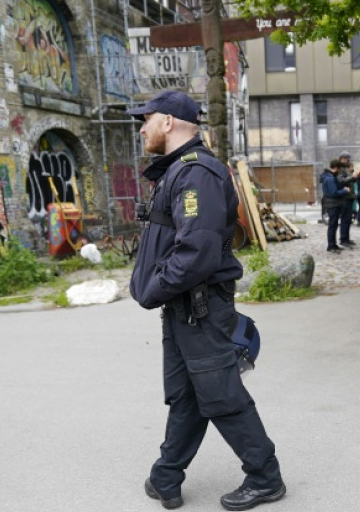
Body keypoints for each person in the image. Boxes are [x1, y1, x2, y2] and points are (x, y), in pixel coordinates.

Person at [126, 90, 286, 511]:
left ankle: (265, 477)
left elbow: (196, 252)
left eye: (146, 119)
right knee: (187, 394)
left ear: (169, 122)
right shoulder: (177, 171)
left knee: (220, 394)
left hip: (200, 307)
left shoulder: (197, 173)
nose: (141, 127)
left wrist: (150, 289)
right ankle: (166, 477)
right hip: (182, 307)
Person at [321, 159, 350, 253]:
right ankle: (331, 246)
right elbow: (333, 193)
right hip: (332, 204)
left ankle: (333, 244)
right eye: (340, 169)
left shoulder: (329, 176)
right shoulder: (329, 178)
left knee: (334, 225)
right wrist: (344, 190)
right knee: (332, 225)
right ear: (337, 168)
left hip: (333, 203)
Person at [336, 152, 358, 246]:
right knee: (345, 219)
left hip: (350, 196)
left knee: (348, 219)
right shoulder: (340, 169)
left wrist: (354, 177)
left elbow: (350, 180)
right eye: (346, 159)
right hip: (345, 197)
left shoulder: (346, 169)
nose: (348, 160)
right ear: (342, 159)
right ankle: (343, 239)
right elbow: (341, 181)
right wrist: (351, 177)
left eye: (348, 159)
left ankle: (347, 238)